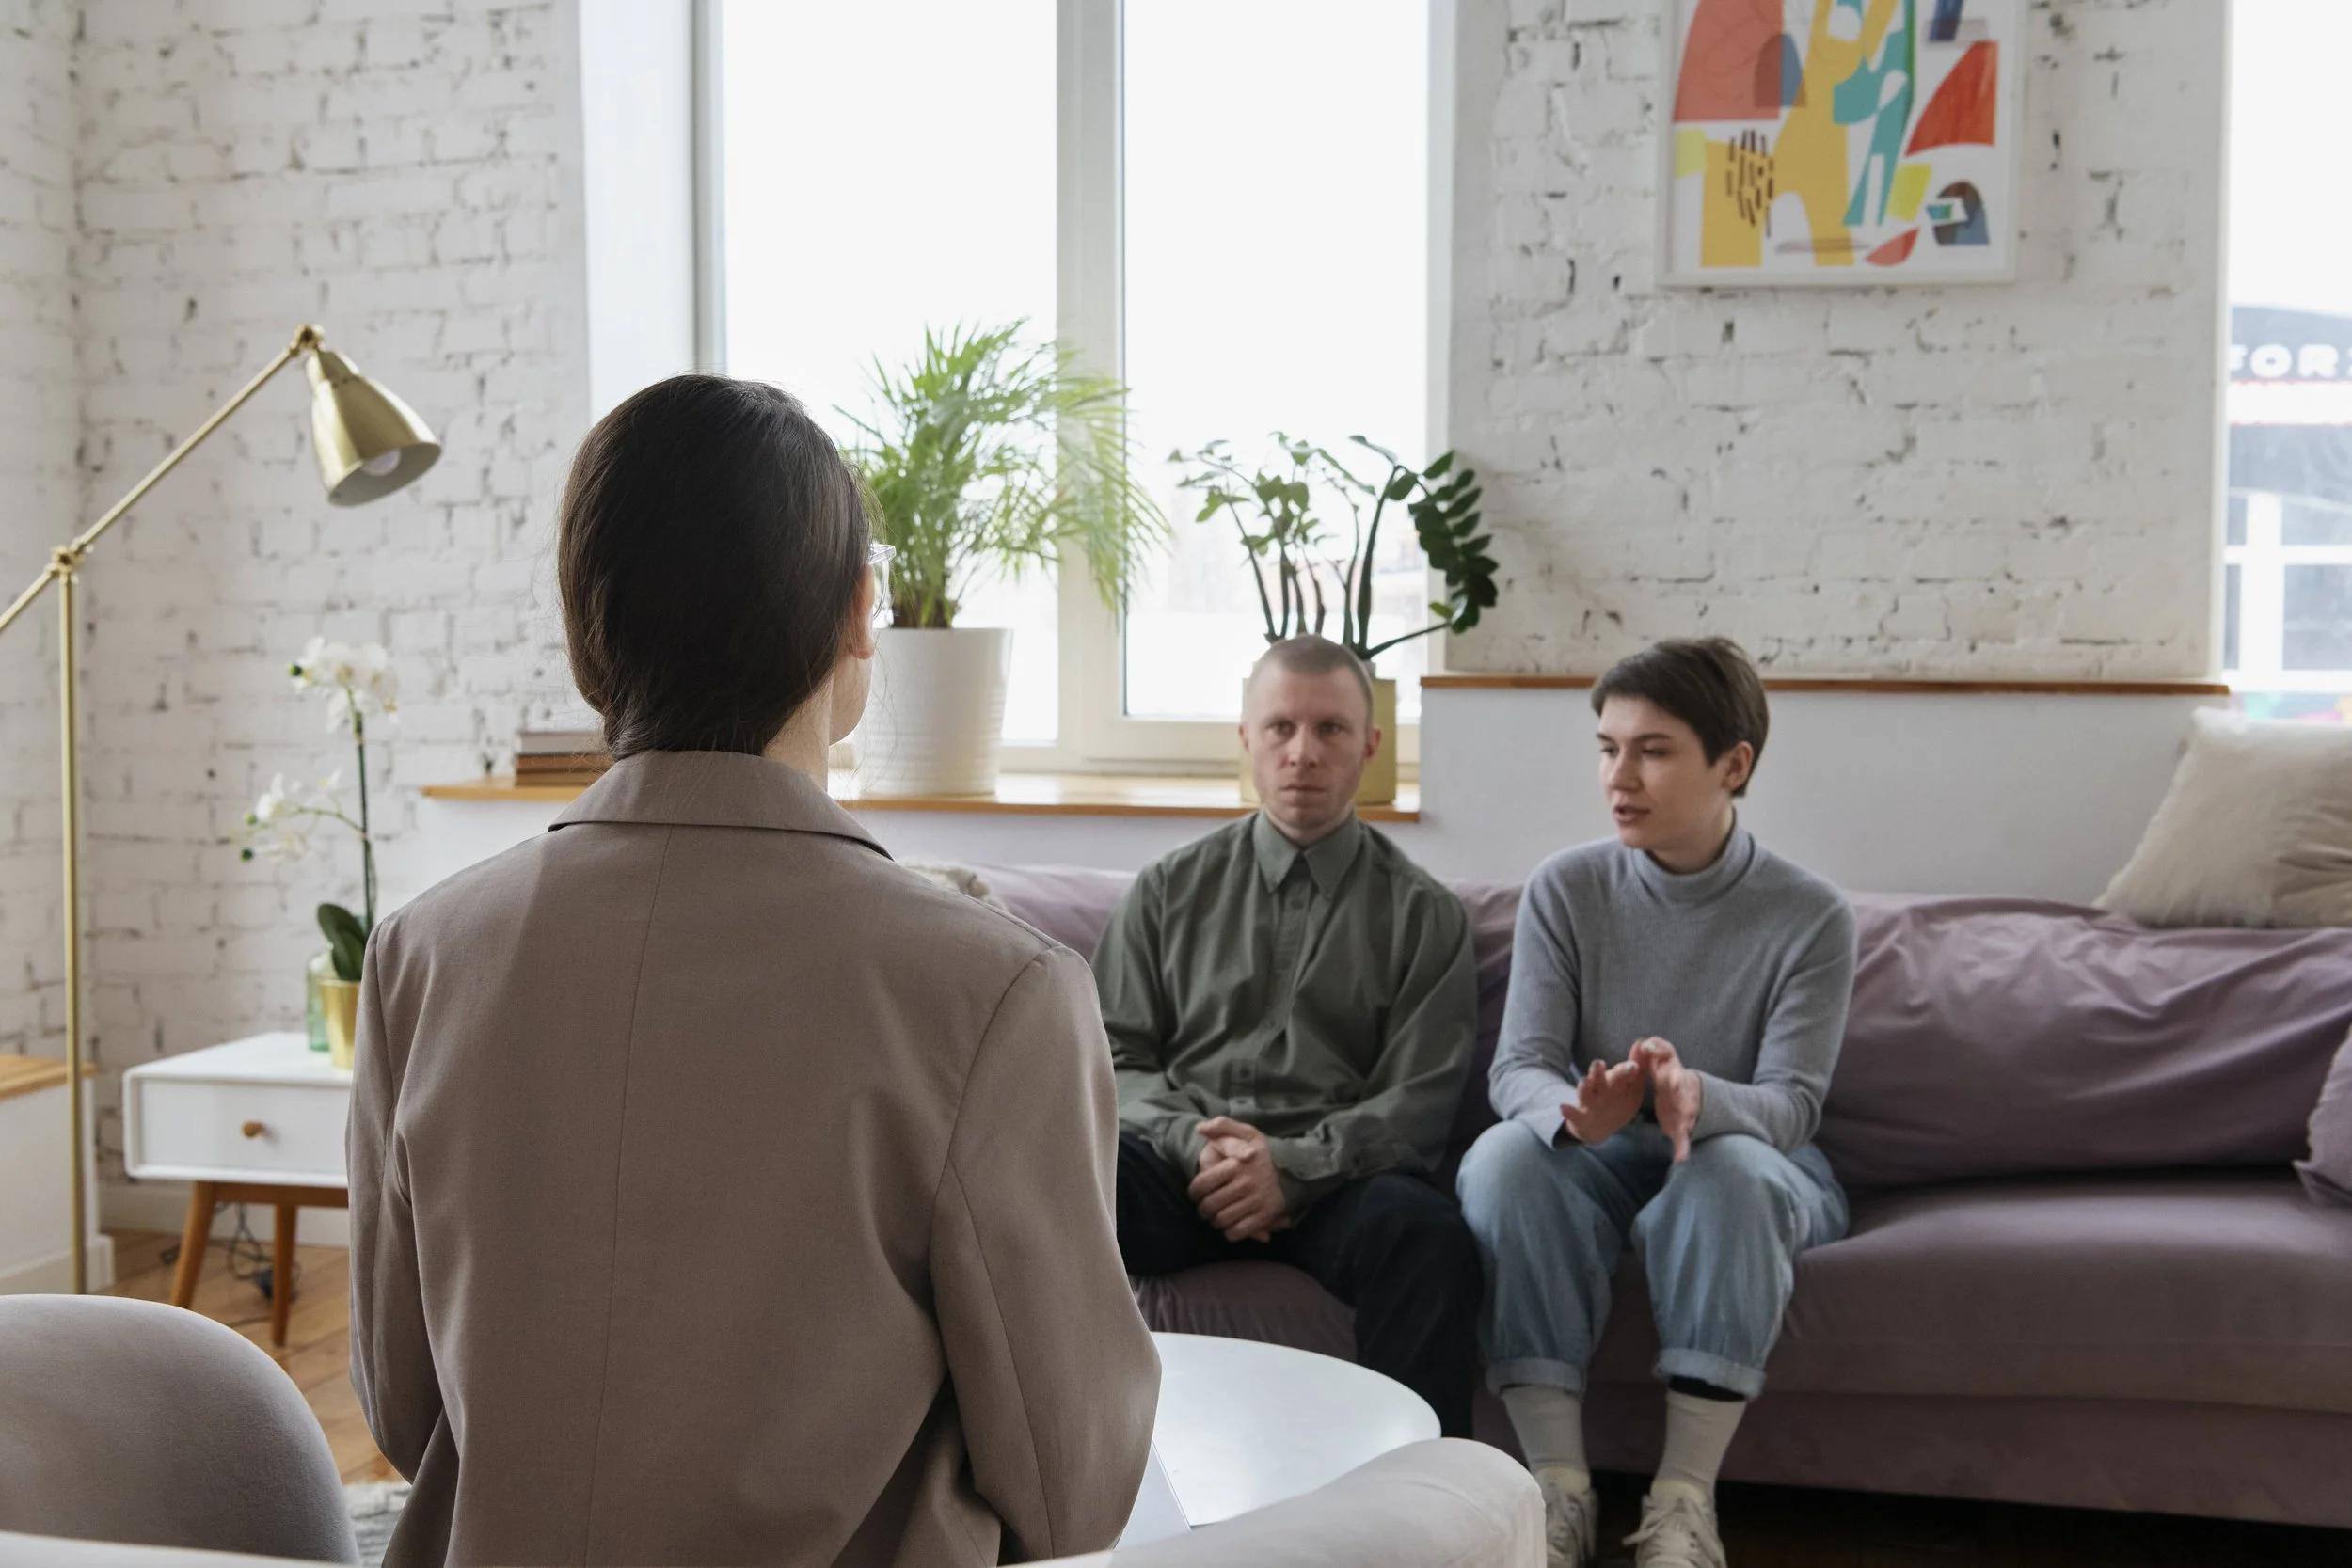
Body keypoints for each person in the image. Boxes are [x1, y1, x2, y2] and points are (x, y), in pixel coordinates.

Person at [347, 375, 1157, 1568]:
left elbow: (409, 1415)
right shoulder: (996, 992)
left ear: (587, 634)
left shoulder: (419, 955)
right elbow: (1072, 1486)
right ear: (855, 619)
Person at [1457, 638, 1857, 1568]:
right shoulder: (1567, 885)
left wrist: (1692, 1097)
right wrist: (1571, 1115)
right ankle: (1557, 1489)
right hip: (1597, 1158)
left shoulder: (1810, 915)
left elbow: (1793, 1107)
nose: (1619, 776)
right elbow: (1519, 1064)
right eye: (1606, 747)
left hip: (1747, 1166)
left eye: (1654, 749)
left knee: (1730, 1170)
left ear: (1734, 763)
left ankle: (1684, 1502)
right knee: (1502, 1157)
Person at [1094, 634, 1484, 1435]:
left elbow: (1417, 1104)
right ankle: (1055, 1471)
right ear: (1246, 739)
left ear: (1370, 747)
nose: (1303, 752)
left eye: (1331, 729)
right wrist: (1199, 1147)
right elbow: (1111, 1058)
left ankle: (1413, 1519)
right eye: (1280, 728)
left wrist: (1291, 1167)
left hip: (1337, 1184)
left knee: (1430, 1238)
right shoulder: (1167, 889)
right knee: (1060, 1172)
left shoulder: (1424, 914)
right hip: (1183, 1168)